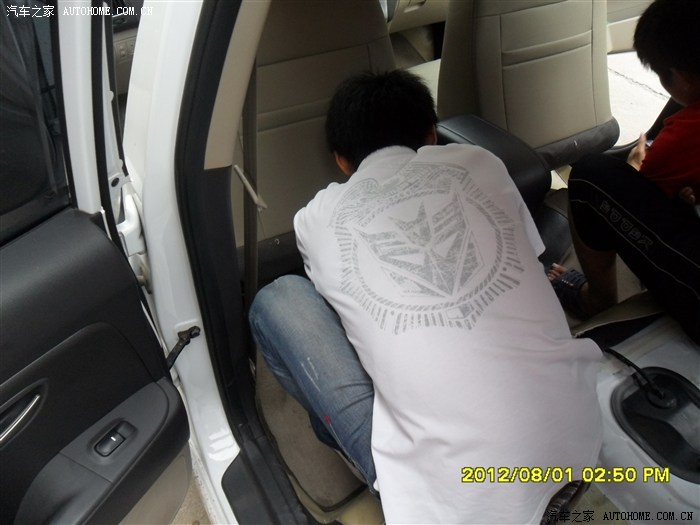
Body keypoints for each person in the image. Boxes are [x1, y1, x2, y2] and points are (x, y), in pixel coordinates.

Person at [249, 70, 602, 523]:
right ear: (432, 135)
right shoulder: (482, 163)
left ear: (341, 161)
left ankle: (371, 459)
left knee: (279, 300)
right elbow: (530, 257)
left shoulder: (313, 218)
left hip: (456, 501)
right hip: (579, 434)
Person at [548, 0, 700, 344]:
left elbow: (646, 186)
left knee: (590, 178)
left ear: (681, 76)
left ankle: (595, 300)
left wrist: (634, 167)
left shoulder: (685, 136)